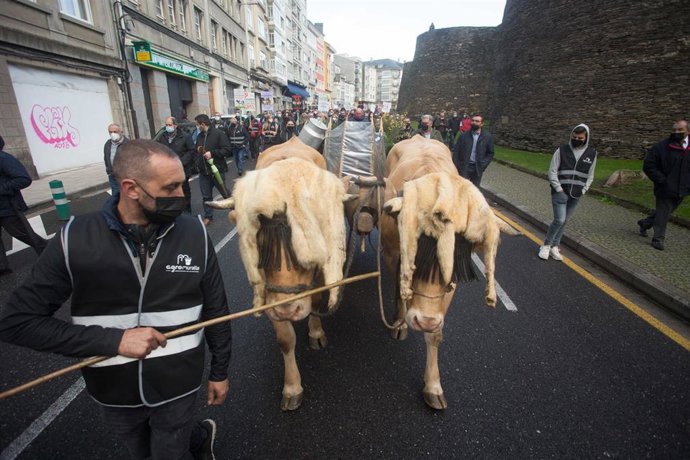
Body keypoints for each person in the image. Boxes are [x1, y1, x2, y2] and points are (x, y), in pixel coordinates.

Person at [0, 139, 231, 459]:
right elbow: (18, 322)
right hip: (112, 392)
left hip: (179, 386)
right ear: (130, 188)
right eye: (171, 187)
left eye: (182, 184)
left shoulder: (195, 234)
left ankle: (190, 437)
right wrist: (114, 341)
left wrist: (220, 371)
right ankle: (199, 437)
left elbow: (217, 308)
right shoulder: (74, 238)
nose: (182, 195)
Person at [538, 124, 597, 260]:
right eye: (574, 137)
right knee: (559, 219)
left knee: (564, 221)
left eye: (580, 137)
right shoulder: (561, 150)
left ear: (586, 138)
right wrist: (558, 189)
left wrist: (584, 189)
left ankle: (554, 246)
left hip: (576, 194)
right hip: (560, 192)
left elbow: (590, 175)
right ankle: (546, 245)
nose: (577, 139)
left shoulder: (592, 154)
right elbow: (552, 171)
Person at [637, 119, 689, 250]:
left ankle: (645, 223)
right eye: (674, 129)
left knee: (665, 212)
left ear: (688, 131)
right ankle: (658, 238)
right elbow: (649, 165)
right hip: (664, 187)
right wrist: (661, 180)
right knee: (664, 211)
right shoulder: (662, 147)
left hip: (683, 188)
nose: (676, 132)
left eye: (680, 130)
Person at [0, 135, 48, 275]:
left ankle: (52, 252)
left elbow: (23, 179)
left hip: (7, 208)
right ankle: (2, 267)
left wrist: (2, 189)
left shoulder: (4, 159)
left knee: (23, 234)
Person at [194, 114, 231, 226]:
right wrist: (197, 163)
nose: (197, 126)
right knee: (206, 196)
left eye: (197, 124)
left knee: (224, 192)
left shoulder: (218, 134)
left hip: (217, 170)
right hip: (203, 172)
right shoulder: (199, 136)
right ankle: (208, 216)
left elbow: (227, 150)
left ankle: (234, 208)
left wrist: (213, 153)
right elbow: (197, 151)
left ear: (203, 124)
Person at [156, 117, 193, 213]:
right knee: (170, 191)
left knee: (183, 190)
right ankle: (174, 211)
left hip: (182, 169)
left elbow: (191, 151)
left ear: (175, 125)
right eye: (166, 125)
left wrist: (180, 162)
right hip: (167, 170)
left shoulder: (185, 136)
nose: (168, 127)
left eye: (170, 125)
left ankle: (187, 212)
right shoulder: (162, 136)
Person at [452, 114, 494, 187]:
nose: (474, 122)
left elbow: (490, 153)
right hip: (464, 167)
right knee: (461, 188)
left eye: (477, 121)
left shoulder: (487, 137)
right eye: (473, 120)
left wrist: (483, 165)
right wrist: (457, 165)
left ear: (482, 124)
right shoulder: (463, 136)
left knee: (474, 189)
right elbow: (456, 151)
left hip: (477, 168)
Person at [104, 123, 129, 195]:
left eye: (115, 132)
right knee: (115, 195)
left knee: (126, 195)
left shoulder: (128, 144)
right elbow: (106, 158)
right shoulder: (108, 144)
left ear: (121, 132)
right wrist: (108, 170)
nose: (112, 134)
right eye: (110, 132)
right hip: (112, 175)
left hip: (124, 176)